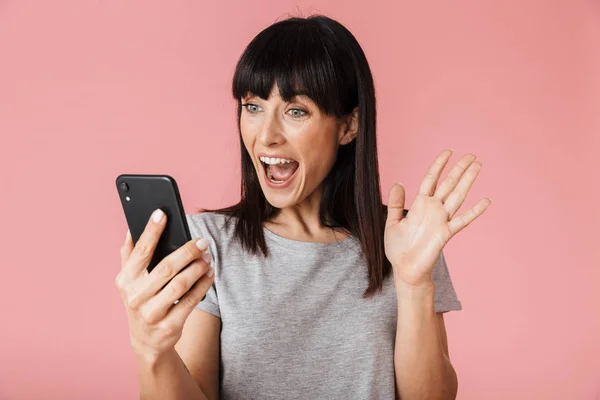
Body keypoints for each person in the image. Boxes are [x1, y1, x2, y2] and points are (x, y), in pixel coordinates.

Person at [115, 14, 491, 400]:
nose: (266, 136)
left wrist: (414, 284)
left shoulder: (404, 239)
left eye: (296, 111)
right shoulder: (207, 245)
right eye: (253, 106)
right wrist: (152, 351)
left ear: (348, 126)